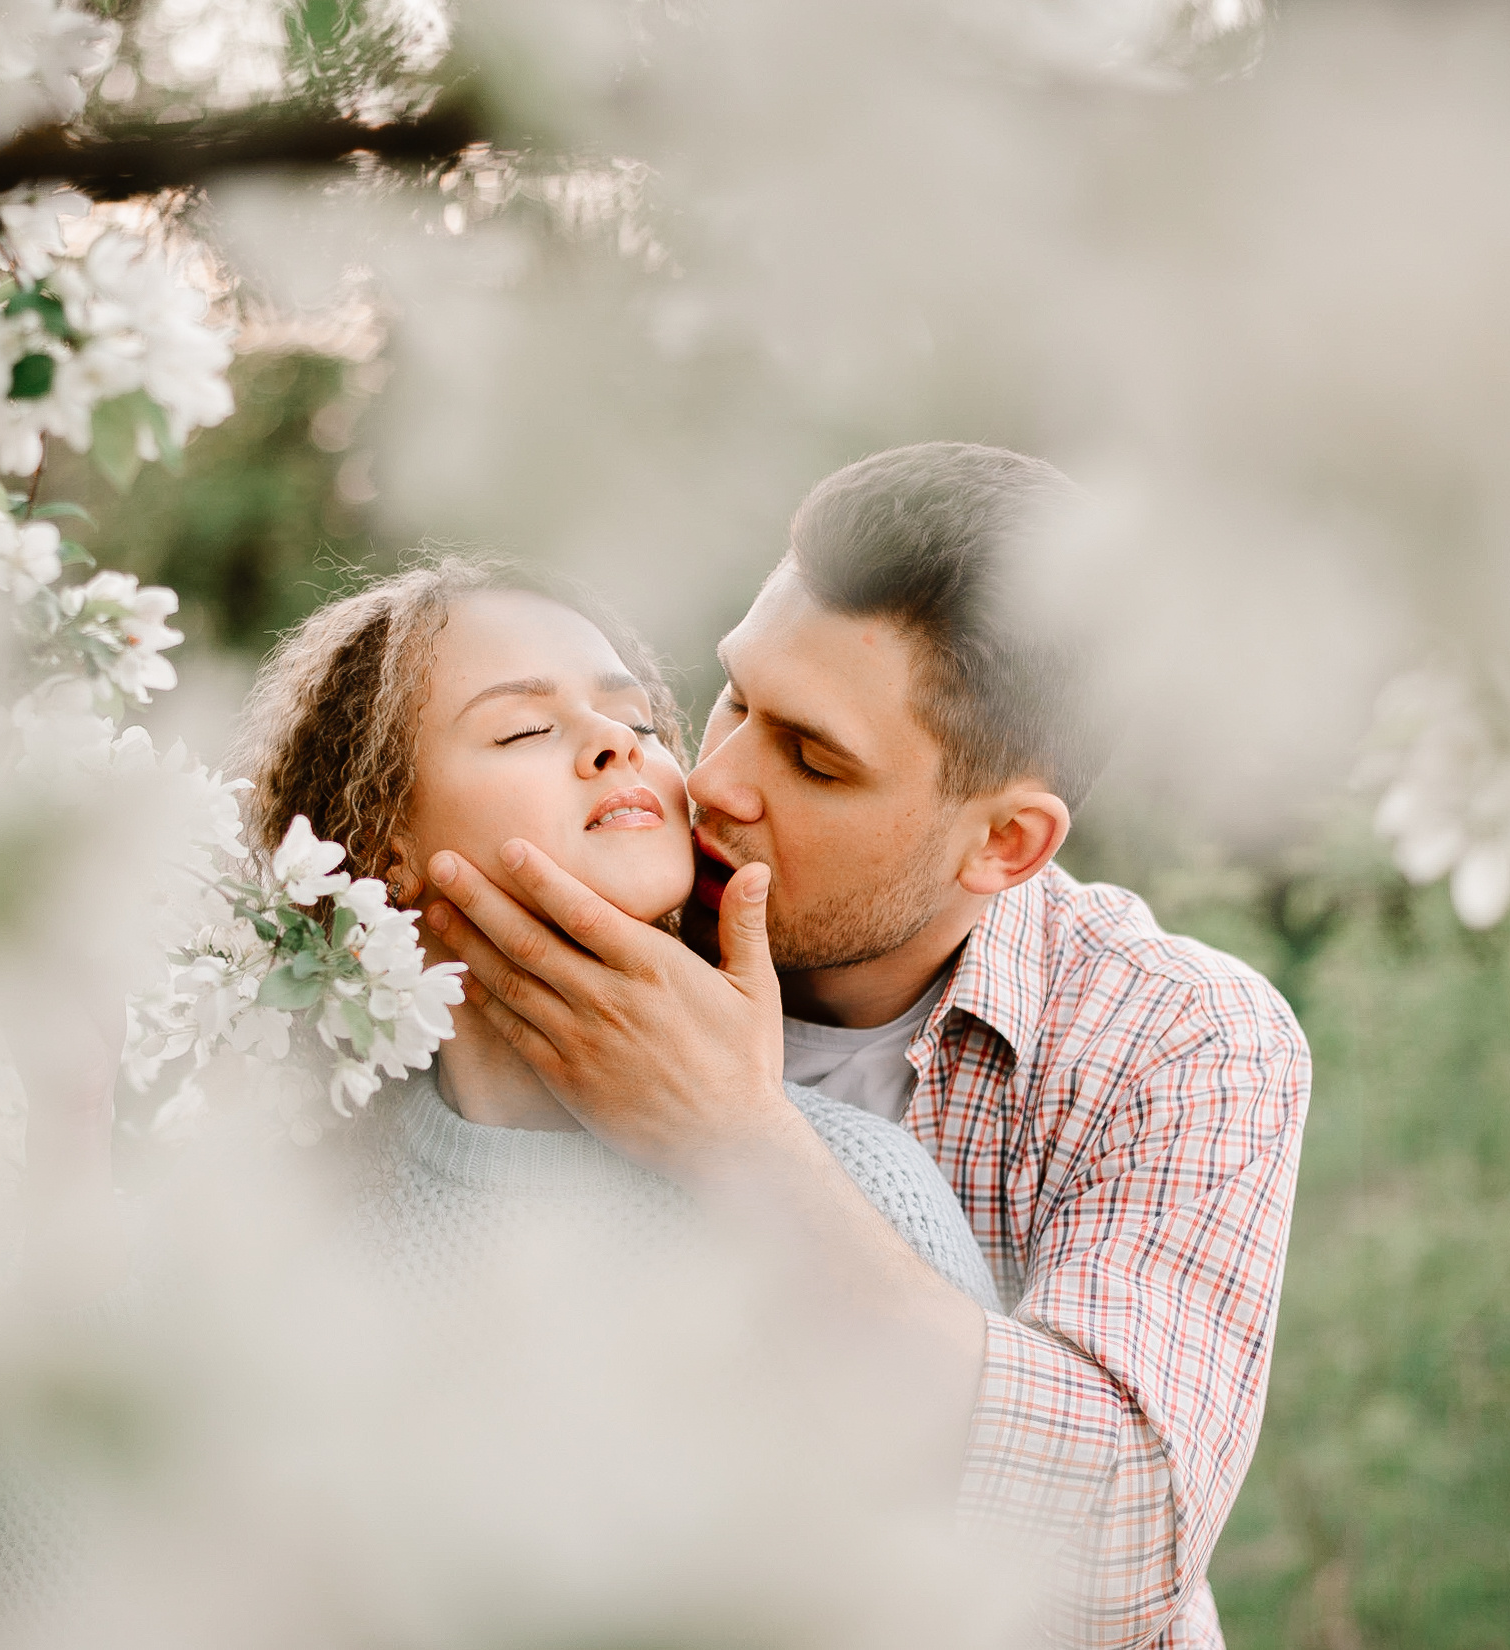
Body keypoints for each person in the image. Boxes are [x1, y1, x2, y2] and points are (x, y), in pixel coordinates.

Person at [417, 443, 1310, 1650]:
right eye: (735, 696)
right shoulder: (603, 909)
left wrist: (737, 1144)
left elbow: (1119, 1549)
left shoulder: (1178, 1037)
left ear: (1004, 844)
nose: (717, 779)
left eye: (814, 759)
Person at [230, 558, 999, 1309]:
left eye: (640, 721)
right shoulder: (292, 1213)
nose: (620, 740)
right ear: (377, 845)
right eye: (525, 729)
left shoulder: (865, 1190)